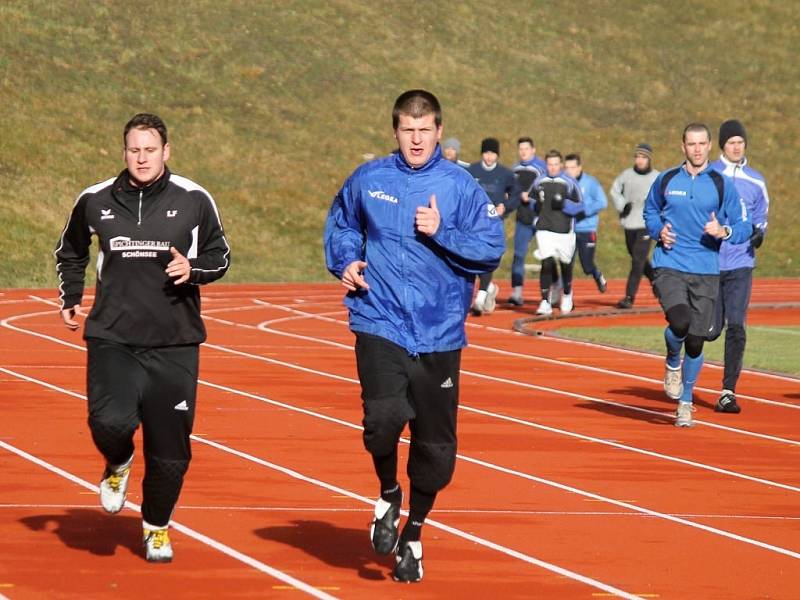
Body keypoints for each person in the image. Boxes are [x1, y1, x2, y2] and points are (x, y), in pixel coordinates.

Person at [323, 90, 504, 582]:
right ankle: (387, 494)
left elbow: (490, 249)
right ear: (396, 131)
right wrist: (346, 260)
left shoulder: (460, 186)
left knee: (436, 452)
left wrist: (442, 231)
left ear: (439, 133)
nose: (416, 139)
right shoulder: (370, 178)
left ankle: (414, 534)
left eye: (425, 131)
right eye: (408, 130)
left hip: (440, 331)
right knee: (382, 419)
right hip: (378, 319)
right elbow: (342, 223)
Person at [54, 113, 231, 562]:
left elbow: (220, 255)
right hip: (113, 336)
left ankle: (156, 525)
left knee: (170, 453)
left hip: (175, 342)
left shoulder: (193, 199)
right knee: (108, 423)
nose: (142, 157)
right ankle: (117, 464)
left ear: (166, 152)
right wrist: (71, 295)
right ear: (124, 151)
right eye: (134, 149)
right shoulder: (94, 200)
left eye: (150, 150)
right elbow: (71, 250)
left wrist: (193, 270)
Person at [643, 122, 750, 428]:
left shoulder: (721, 184)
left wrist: (724, 230)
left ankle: (686, 402)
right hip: (670, 263)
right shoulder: (666, 179)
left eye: (703, 144)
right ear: (683, 147)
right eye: (692, 144)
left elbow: (743, 225)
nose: (698, 149)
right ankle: (671, 361)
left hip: (705, 269)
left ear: (709, 147)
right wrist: (658, 230)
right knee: (679, 321)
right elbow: (650, 211)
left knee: (696, 340)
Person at [706, 120, 770, 414]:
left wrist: (759, 233)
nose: (736, 146)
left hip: (741, 262)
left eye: (740, 142)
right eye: (731, 142)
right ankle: (680, 363)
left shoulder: (756, 180)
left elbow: (761, 215)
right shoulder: (710, 174)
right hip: (709, 262)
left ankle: (727, 391)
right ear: (722, 145)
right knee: (709, 330)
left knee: (736, 325)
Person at [467, 138, 519, 315]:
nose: (489, 157)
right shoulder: (471, 171)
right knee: (472, 259)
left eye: (493, 153)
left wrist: (505, 206)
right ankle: (486, 290)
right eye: (486, 153)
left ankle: (480, 298)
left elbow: (516, 194)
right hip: (473, 223)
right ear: (482, 153)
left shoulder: (505, 174)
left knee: (486, 258)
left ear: (497, 155)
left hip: (493, 225)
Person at [531, 149, 584, 316]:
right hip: (544, 229)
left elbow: (581, 206)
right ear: (545, 164)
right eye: (549, 164)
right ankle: (545, 301)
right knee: (546, 263)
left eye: (555, 164)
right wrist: (535, 207)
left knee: (565, 264)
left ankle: (567, 293)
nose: (552, 167)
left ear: (560, 165)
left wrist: (564, 205)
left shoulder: (569, 182)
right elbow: (533, 201)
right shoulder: (539, 181)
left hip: (563, 230)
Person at [610, 143, 660, 308]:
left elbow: (665, 197)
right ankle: (655, 279)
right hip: (630, 223)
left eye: (643, 157)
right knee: (637, 256)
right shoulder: (627, 175)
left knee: (637, 261)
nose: (640, 160)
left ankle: (629, 297)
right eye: (638, 157)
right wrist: (622, 204)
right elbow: (614, 190)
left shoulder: (656, 178)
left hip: (646, 223)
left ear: (649, 159)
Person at [508, 137, 547, 306]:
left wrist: (531, 198)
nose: (523, 152)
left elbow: (547, 192)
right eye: (520, 149)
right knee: (518, 254)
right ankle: (517, 292)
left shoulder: (542, 168)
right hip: (523, 218)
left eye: (526, 149)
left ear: (533, 150)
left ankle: (552, 290)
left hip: (541, 217)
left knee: (548, 256)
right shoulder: (514, 169)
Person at [564, 153, 608, 294]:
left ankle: (597, 275)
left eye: (572, 167)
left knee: (587, 265)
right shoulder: (563, 183)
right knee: (567, 263)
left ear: (579, 168)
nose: (569, 170)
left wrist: (584, 211)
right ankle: (567, 296)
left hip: (587, 229)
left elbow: (602, 202)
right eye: (567, 167)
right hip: (568, 230)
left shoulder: (590, 182)